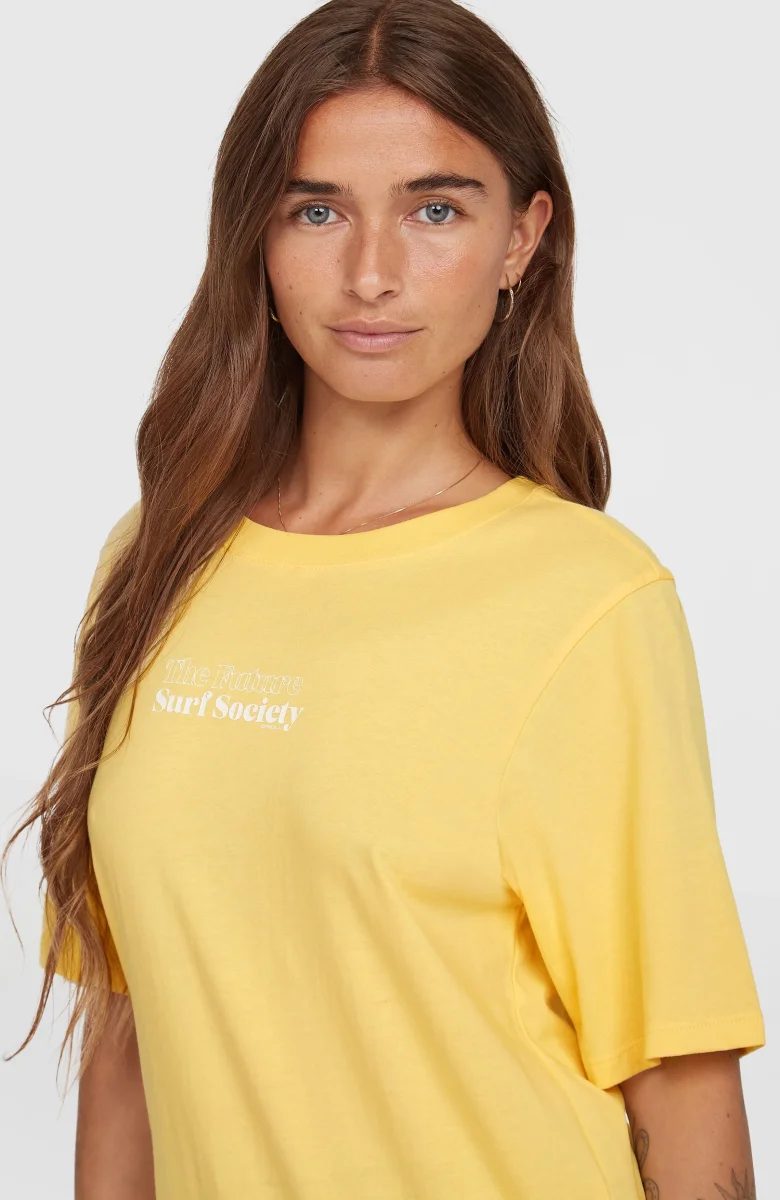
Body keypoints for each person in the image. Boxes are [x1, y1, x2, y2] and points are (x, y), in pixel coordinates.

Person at [2, 0, 766, 1196]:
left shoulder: (590, 598)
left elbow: (678, 1074)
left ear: (522, 239)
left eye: (435, 209)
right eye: (317, 210)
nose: (371, 274)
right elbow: (130, 1024)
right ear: (255, 236)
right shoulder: (154, 560)